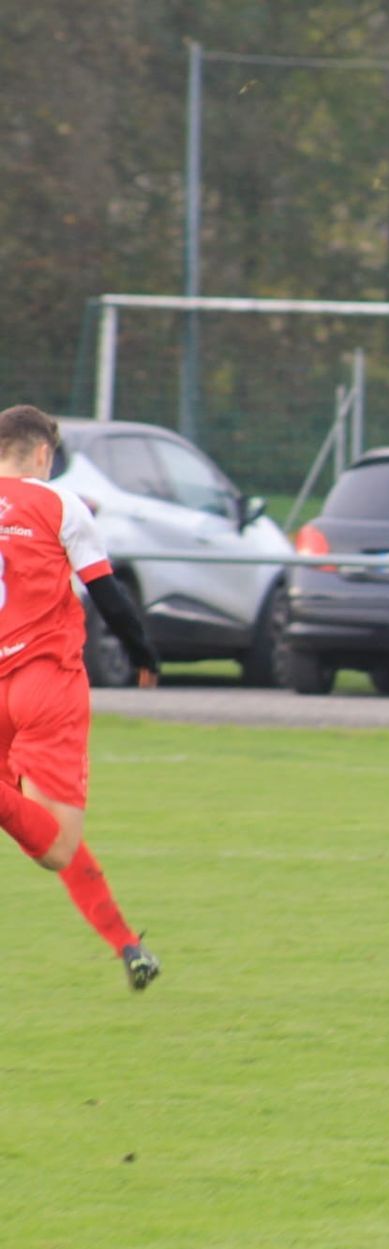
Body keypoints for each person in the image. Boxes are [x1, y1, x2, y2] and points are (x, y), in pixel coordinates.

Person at [0, 405, 164, 991]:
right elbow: (107, 593)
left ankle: (126, 944)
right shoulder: (61, 503)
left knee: (53, 835)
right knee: (56, 844)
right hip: (43, 680)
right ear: (44, 453)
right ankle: (126, 944)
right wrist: (143, 654)